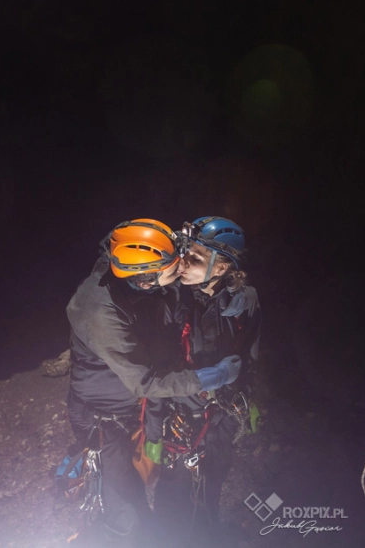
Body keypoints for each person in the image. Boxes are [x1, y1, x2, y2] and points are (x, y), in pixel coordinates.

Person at [66, 218, 243, 546]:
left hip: (128, 407)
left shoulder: (127, 265)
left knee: (146, 484)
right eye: (173, 269)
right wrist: (211, 376)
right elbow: (145, 382)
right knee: (127, 514)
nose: (180, 271)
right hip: (103, 414)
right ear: (145, 281)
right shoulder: (98, 312)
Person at [144, 216, 262, 546]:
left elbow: (251, 352)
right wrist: (154, 431)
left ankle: (207, 536)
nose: (183, 263)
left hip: (222, 417)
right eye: (186, 253)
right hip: (181, 415)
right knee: (173, 494)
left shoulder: (246, 300)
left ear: (223, 267)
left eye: (195, 258)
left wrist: (247, 397)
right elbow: (156, 372)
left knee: (213, 482)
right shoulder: (173, 301)